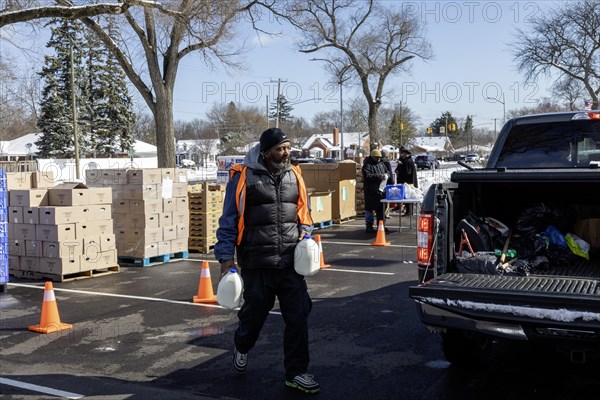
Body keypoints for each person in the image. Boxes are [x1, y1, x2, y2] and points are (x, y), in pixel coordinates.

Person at [214, 128, 320, 394]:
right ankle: (242, 344)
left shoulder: (294, 175)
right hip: (256, 263)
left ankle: (296, 373)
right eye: (280, 149)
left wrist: (306, 233)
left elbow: (303, 213)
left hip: (289, 263)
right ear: (266, 151)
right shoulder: (243, 177)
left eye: (288, 148)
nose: (286, 153)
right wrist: (226, 259)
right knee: (254, 316)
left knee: (298, 316)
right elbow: (228, 221)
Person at [362, 149, 393, 233]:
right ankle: (369, 226)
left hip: (381, 191)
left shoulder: (381, 164)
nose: (378, 159)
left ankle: (381, 225)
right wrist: (379, 176)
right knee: (369, 209)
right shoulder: (367, 165)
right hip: (371, 191)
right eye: (377, 158)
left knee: (381, 209)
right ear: (372, 157)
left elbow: (388, 172)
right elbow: (367, 176)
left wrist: (387, 175)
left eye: (379, 158)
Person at [394, 147, 418, 215]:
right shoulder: (405, 160)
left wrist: (401, 167)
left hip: (409, 182)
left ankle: (409, 211)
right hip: (407, 182)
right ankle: (408, 210)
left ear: (407, 154)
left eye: (404, 154)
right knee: (407, 196)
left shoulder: (408, 161)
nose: (402, 155)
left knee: (409, 196)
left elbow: (408, 172)